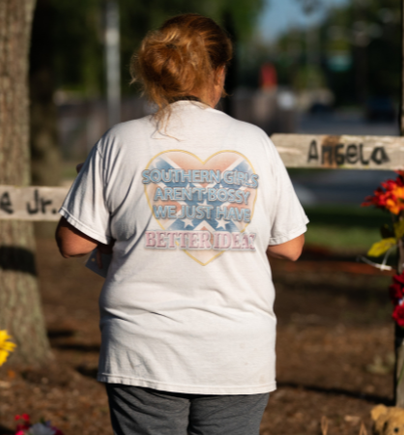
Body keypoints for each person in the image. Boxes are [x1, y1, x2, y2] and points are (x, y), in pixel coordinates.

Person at [55, 13, 308, 435]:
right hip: (237, 352)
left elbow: (73, 242)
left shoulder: (120, 141)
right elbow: (291, 245)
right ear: (220, 72)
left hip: (142, 349)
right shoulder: (255, 142)